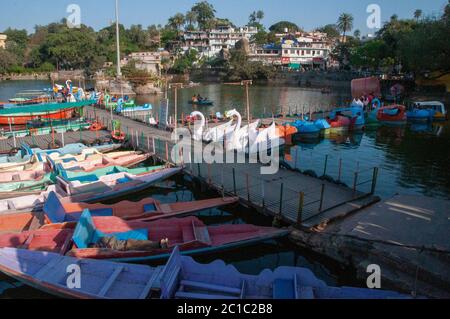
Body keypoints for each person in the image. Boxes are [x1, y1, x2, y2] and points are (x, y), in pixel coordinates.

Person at [91, 236, 170, 251]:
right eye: (94, 247)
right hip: (125, 249)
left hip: (127, 243)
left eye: (94, 245)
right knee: (144, 248)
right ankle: (160, 246)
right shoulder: (101, 250)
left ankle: (160, 243)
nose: (95, 246)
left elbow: (113, 237)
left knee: (143, 243)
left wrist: (110, 245)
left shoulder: (101, 239)